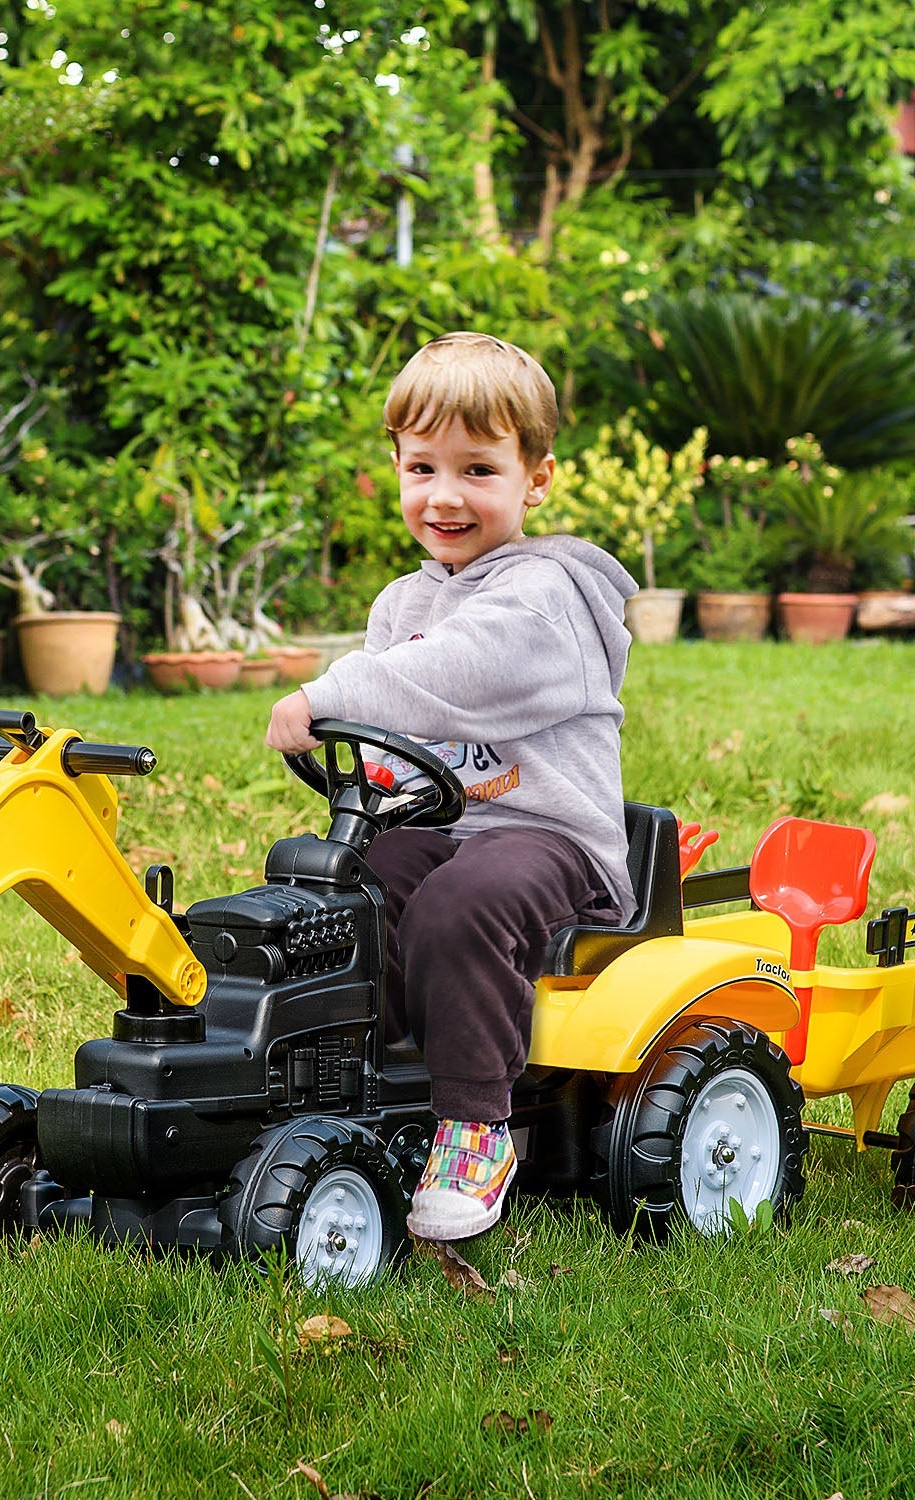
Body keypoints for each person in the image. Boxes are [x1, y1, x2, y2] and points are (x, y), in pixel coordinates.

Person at [266, 330, 637, 1241]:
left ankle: (477, 1127)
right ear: (394, 465)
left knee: (460, 903)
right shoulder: (402, 603)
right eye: (423, 467)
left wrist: (328, 691)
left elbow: (456, 672)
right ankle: (342, 1091)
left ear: (534, 478)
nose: (445, 496)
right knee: (343, 889)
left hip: (551, 839)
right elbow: (397, 732)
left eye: (478, 470)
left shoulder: (546, 595)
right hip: (445, 824)